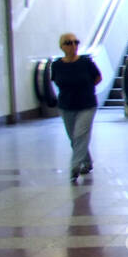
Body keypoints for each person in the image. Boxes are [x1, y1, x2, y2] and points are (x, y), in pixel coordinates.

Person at [51, 32, 102, 182]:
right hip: (66, 106)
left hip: (86, 104)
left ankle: (75, 166)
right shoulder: (57, 65)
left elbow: (98, 78)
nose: (73, 45)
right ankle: (87, 162)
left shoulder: (86, 62)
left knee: (80, 135)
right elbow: (56, 80)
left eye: (76, 42)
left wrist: (86, 89)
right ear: (62, 47)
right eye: (68, 43)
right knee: (74, 138)